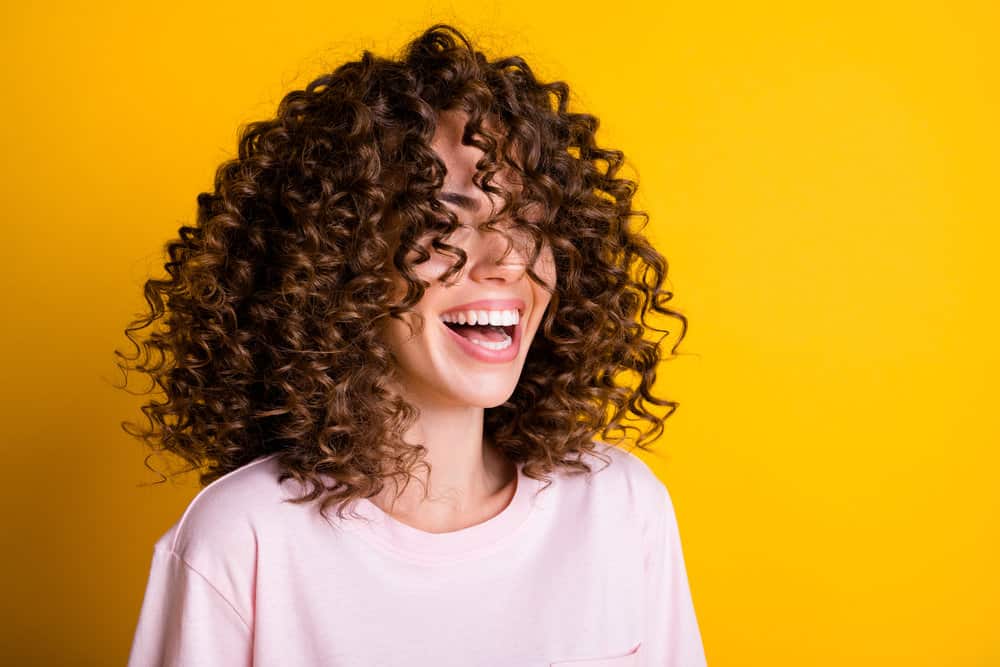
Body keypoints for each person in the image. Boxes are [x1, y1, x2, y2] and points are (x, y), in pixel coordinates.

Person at [119, 23, 707, 666]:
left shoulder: (619, 507)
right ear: (341, 257)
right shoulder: (243, 539)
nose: (508, 259)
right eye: (446, 222)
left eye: (528, 220)